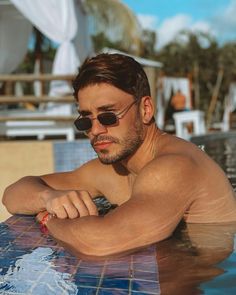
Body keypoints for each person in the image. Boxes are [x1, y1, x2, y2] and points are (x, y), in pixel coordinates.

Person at [2, 53, 236, 259]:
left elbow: (102, 243)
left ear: (145, 109)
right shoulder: (114, 169)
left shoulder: (173, 167)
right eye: (85, 120)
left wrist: (49, 219)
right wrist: (47, 197)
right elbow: (12, 195)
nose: (95, 130)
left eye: (108, 116)